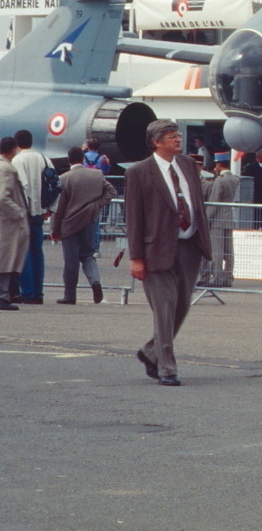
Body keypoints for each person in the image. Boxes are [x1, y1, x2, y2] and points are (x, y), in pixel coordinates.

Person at [126, 120, 213, 386]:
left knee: (181, 307)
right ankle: (166, 367)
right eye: (171, 136)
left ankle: (150, 351)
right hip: (156, 251)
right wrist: (136, 257)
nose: (178, 139)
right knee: (164, 308)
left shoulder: (187, 165)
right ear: (156, 142)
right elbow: (134, 218)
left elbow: (195, 200)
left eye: (178, 135)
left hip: (189, 247)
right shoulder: (139, 172)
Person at [51, 147, 116, 304]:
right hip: (90, 221)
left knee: (71, 260)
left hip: (69, 223)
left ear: (69, 159)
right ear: (83, 159)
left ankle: (70, 295)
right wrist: (96, 205)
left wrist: (55, 229)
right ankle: (95, 282)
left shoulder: (64, 178)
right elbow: (111, 191)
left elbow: (59, 208)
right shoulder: (96, 175)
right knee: (88, 255)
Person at [12, 129, 49, 303]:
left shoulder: (17, 160)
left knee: (24, 252)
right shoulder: (44, 159)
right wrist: (50, 209)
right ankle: (38, 292)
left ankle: (27, 292)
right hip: (40, 212)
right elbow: (55, 185)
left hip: (25, 211)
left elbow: (23, 186)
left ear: (16, 142)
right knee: (37, 251)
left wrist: (22, 209)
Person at [0, 137, 27, 311]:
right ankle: (2, 295)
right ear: (13, 149)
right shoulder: (7, 169)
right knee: (6, 259)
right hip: (7, 223)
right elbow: (3, 196)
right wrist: (19, 213)